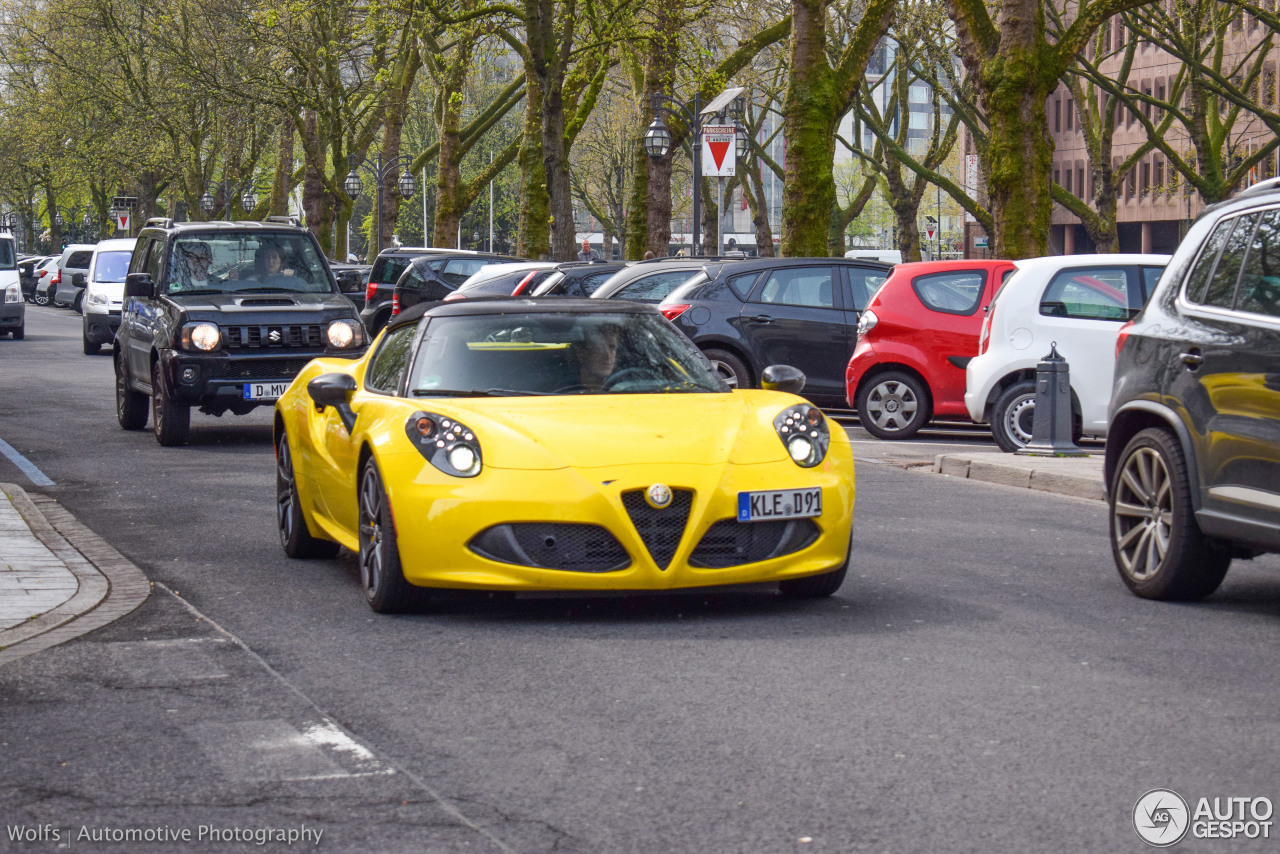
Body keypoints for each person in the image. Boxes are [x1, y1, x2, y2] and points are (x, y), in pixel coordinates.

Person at [572, 323, 620, 390]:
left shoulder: (627, 387)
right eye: (599, 348)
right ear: (581, 354)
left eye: (612, 347)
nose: (608, 355)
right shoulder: (561, 392)